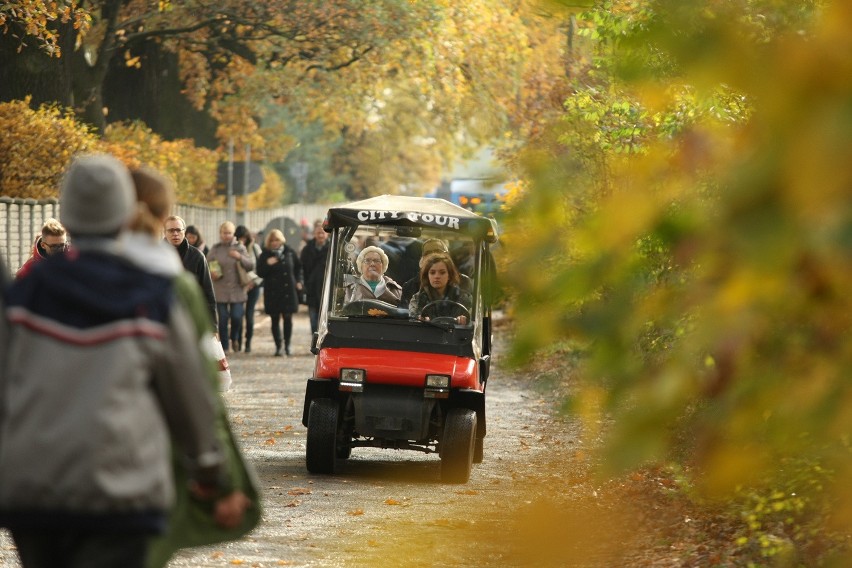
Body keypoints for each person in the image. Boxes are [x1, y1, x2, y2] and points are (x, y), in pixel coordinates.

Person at [0, 154, 228, 568]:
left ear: (67, 213)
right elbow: (188, 389)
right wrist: (208, 464)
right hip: (122, 487)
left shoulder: (27, 288)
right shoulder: (155, 294)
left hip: (36, 491)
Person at [127, 166, 259, 568]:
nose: (174, 234)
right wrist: (217, 475)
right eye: (168, 226)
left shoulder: (46, 282)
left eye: (179, 230)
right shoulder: (165, 285)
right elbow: (194, 393)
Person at [164, 214, 217, 329]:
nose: (175, 234)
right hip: (164, 317)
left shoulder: (197, 257)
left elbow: (207, 291)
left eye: (178, 230)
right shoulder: (155, 255)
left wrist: (213, 326)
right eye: (171, 230)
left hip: (191, 317)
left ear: (184, 232)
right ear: (165, 233)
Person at [207, 221, 253, 353]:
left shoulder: (240, 248)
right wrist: (212, 272)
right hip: (220, 288)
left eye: (229, 233)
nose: (226, 235)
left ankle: (235, 338)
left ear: (233, 234)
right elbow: (208, 262)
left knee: (237, 317)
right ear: (220, 234)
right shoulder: (215, 248)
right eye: (224, 233)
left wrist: (239, 257)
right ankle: (225, 346)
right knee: (222, 320)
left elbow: (250, 265)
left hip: (237, 288)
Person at [256, 229, 303, 356]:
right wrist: (267, 264)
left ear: (281, 240)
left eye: (277, 240)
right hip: (273, 292)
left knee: (288, 317)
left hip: (288, 291)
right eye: (272, 240)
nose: (274, 243)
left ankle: (287, 345)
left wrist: (299, 281)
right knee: (274, 319)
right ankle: (278, 346)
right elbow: (260, 272)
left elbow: (298, 268)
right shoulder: (265, 255)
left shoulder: (289, 252)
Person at [399, 238, 472, 307]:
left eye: (438, 251)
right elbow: (404, 314)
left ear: (447, 256)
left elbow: (467, 309)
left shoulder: (463, 281)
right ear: (423, 258)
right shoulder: (410, 286)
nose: (433, 255)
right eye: (428, 253)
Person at [409, 251, 472, 325]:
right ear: (427, 275)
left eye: (442, 272)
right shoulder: (418, 299)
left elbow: (472, 320)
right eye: (432, 273)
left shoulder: (463, 297)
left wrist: (464, 320)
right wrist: (420, 320)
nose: (437, 276)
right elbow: (413, 321)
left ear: (449, 275)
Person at [235, 225, 262, 353]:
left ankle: (248, 343)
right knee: (238, 315)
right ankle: (238, 341)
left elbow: (260, 268)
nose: (242, 241)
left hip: (254, 285)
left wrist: (252, 282)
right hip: (239, 286)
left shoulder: (255, 249)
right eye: (239, 238)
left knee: (249, 314)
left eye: (244, 238)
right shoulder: (233, 249)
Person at [299, 220, 329, 335]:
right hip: (311, 288)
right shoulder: (307, 249)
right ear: (314, 234)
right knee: (313, 320)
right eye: (318, 233)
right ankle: (314, 342)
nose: (320, 235)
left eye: (323, 233)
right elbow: (301, 267)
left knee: (325, 321)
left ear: (327, 234)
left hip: (326, 289)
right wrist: (302, 283)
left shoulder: (332, 249)